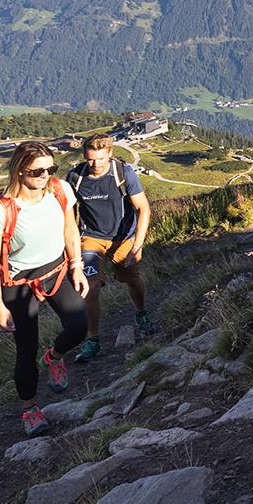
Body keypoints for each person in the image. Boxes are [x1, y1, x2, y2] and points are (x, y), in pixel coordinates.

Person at [0, 140, 88, 436]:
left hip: (56, 271)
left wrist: (77, 265)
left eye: (50, 168)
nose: (45, 176)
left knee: (79, 326)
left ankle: (54, 356)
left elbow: (70, 228)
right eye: (37, 171)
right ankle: (30, 409)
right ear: (19, 170)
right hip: (18, 284)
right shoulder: (1, 210)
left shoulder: (60, 190)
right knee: (25, 349)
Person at [65, 132, 155, 362]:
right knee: (90, 287)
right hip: (92, 238)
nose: (94, 165)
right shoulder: (75, 177)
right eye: (90, 159)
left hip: (123, 237)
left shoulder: (123, 173)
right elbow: (69, 219)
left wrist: (137, 246)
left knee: (131, 279)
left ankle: (141, 314)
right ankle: (93, 340)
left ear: (110, 154)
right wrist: (72, 254)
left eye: (100, 159)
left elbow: (143, 209)